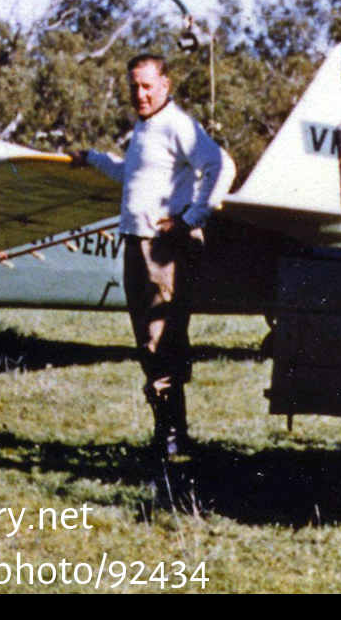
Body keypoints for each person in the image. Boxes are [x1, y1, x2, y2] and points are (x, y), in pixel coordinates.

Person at [71, 53, 234, 458]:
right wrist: (91, 159)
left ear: (166, 85)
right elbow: (131, 173)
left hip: (161, 248)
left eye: (147, 86)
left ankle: (171, 437)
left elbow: (221, 166)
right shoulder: (147, 127)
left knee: (160, 339)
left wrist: (192, 217)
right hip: (137, 241)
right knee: (151, 340)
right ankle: (170, 433)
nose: (140, 94)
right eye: (134, 87)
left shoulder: (177, 124)